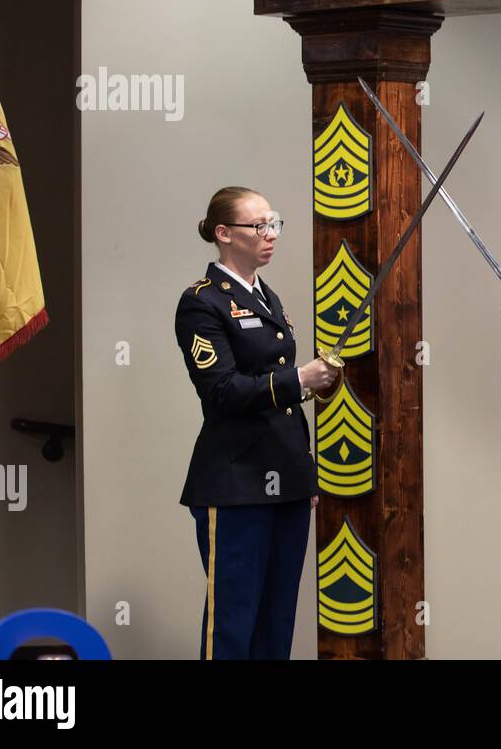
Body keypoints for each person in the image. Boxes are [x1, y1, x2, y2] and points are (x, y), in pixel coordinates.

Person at [175, 186, 340, 659]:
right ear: (224, 234)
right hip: (236, 481)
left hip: (285, 477)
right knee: (232, 623)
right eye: (259, 226)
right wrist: (297, 378)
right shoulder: (201, 303)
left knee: (276, 621)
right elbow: (222, 391)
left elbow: (279, 397)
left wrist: (313, 386)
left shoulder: (266, 297)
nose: (271, 235)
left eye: (274, 224)